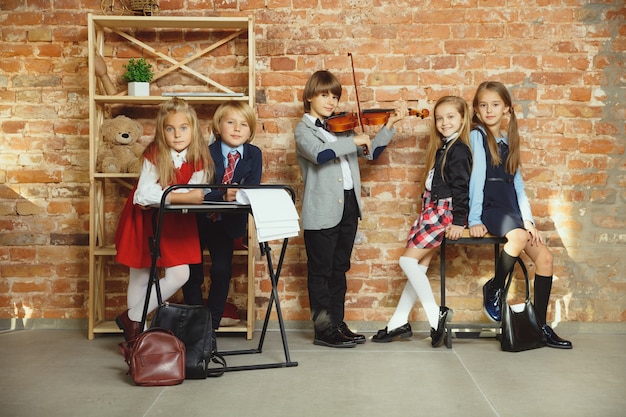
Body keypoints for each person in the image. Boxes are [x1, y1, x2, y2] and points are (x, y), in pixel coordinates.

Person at [294, 69, 407, 348]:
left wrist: (389, 126)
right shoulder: (303, 130)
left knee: (339, 269)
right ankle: (323, 329)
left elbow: (371, 153)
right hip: (321, 211)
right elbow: (320, 155)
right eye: (324, 95)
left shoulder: (341, 128)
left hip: (348, 207)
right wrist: (353, 141)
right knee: (320, 271)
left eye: (335, 96)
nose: (331, 101)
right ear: (309, 96)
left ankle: (336, 323)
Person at [468, 81, 572, 349]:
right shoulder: (478, 136)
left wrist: (529, 221)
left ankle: (538, 327)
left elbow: (519, 186)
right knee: (515, 238)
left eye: (495, 104)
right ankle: (494, 288)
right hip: (491, 206)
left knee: (546, 258)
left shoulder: (508, 141)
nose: (489, 110)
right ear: (477, 111)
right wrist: (474, 218)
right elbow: (477, 179)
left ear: (507, 110)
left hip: (512, 209)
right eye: (483, 105)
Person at [372, 96, 473, 347]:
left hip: (442, 212)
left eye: (451, 117)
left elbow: (461, 188)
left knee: (407, 260)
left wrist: (459, 221)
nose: (444, 122)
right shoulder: (443, 147)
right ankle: (398, 323)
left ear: (462, 119)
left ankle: (434, 316)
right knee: (418, 268)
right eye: (440, 118)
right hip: (431, 209)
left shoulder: (458, 149)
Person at [114, 97, 214, 342]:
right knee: (141, 274)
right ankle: (138, 337)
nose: (177, 134)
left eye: (183, 128)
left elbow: (198, 193)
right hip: (145, 218)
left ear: (193, 129)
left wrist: (180, 197)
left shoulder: (200, 157)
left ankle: (132, 317)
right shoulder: (155, 153)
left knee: (180, 275)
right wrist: (181, 197)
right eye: (170, 129)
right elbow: (143, 195)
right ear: (162, 131)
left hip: (176, 221)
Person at [182, 101, 262, 336]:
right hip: (199, 220)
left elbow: (252, 188)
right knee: (192, 272)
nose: (237, 129)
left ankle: (212, 322)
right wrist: (223, 193)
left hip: (226, 224)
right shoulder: (206, 151)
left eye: (244, 124)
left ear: (250, 130)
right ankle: (197, 320)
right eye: (231, 123)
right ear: (218, 126)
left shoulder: (253, 154)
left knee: (220, 270)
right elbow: (197, 187)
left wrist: (240, 193)